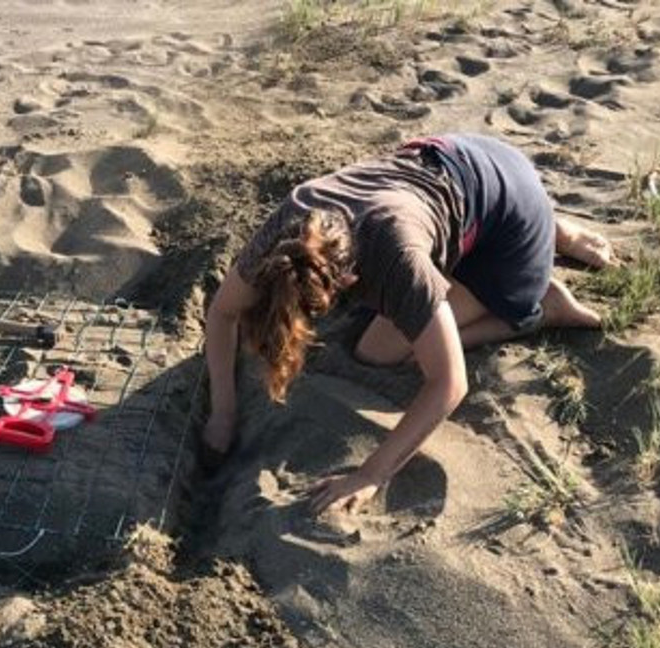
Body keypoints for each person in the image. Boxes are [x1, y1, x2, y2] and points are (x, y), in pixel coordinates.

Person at [201, 134, 614, 515]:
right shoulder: (293, 219)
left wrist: (370, 475)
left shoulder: (398, 262)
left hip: (504, 223)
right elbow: (223, 313)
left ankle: (540, 305)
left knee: (380, 351)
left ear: (348, 282)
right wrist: (223, 410)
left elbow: (450, 383)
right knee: (410, 301)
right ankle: (559, 234)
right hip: (460, 157)